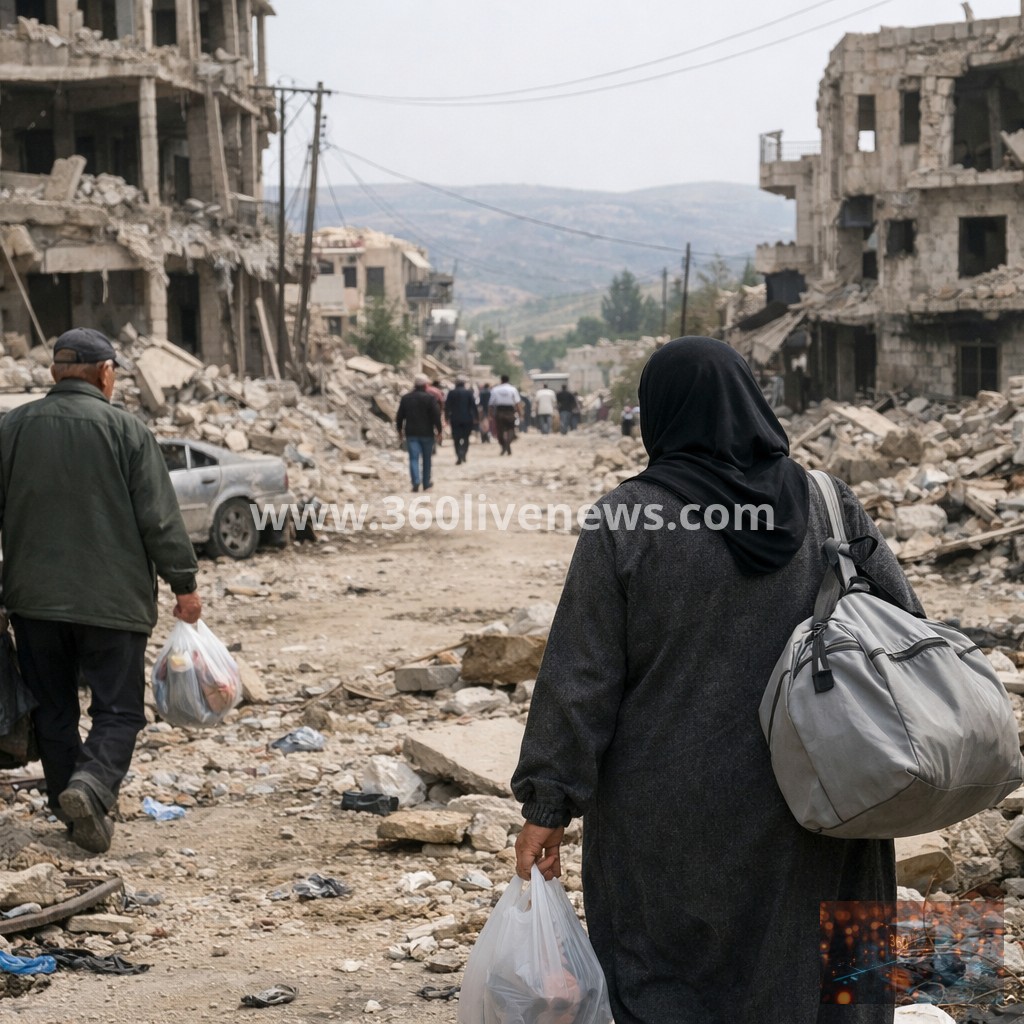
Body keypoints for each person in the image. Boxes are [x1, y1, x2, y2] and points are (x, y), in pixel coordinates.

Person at [512, 336, 920, 1024]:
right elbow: (903, 622)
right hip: (825, 800)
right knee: (832, 984)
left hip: (670, 821)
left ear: (659, 415)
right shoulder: (827, 501)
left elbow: (581, 678)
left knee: (668, 981)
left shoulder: (627, 519)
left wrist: (546, 807)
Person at [0, 328, 202, 854]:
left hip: (34, 602)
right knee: (119, 710)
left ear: (53, 374)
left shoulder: (12, 429)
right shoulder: (126, 431)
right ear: (106, 374)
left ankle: (73, 809)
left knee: (53, 708)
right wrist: (184, 585)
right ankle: (91, 788)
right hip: (112, 605)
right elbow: (159, 519)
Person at [397, 373, 442, 492]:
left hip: (411, 433)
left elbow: (400, 416)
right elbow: (436, 416)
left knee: (413, 458)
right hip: (427, 433)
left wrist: (399, 431)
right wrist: (439, 431)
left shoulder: (406, 398)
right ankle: (426, 483)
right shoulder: (430, 398)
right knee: (427, 458)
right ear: (426, 385)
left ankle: (416, 481)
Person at [444, 377, 478, 465]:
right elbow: (473, 406)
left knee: (456, 438)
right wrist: (476, 417)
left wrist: (446, 418)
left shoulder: (451, 393)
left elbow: (447, 406)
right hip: (467, 419)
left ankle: (459, 455)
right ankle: (463, 453)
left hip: (455, 419)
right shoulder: (468, 393)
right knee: (466, 438)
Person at [488, 374, 521, 456]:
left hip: (499, 412)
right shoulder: (513, 389)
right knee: (511, 429)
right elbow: (517, 403)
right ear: (508, 380)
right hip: (510, 411)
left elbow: (491, 404)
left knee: (500, 431)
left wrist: (490, 415)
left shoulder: (495, 390)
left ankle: (504, 446)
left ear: (501, 380)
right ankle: (507, 446)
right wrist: (520, 413)